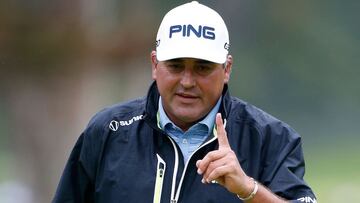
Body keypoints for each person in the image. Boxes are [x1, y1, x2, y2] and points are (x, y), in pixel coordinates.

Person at [53, 1, 317, 202]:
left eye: (202, 68)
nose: (187, 81)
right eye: (176, 66)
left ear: (226, 69)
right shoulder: (108, 131)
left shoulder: (271, 139)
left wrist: (248, 189)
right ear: (155, 65)